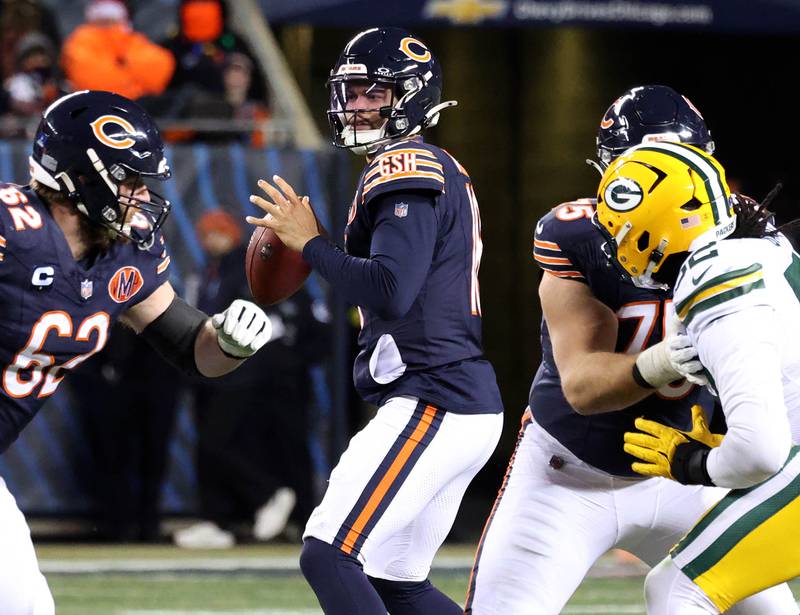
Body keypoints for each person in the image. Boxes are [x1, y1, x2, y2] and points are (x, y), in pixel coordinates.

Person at [463, 85, 798, 614]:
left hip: (688, 470)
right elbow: (581, 387)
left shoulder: (742, 234)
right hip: (570, 474)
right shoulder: (578, 235)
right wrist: (662, 360)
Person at [248, 26, 503, 615]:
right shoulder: (420, 164)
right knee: (395, 580)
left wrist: (311, 245)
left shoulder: (405, 164)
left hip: (437, 396)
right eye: (352, 91)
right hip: (455, 398)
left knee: (327, 552)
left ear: (409, 96)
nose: (358, 104)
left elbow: (390, 290)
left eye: (374, 92)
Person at [0, 89, 271, 613]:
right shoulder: (12, 227)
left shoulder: (126, 253)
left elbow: (193, 348)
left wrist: (231, 343)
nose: (140, 195)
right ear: (80, 174)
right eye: (127, 178)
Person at [594, 143, 800, 613]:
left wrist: (692, 464)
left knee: (676, 588)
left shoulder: (715, 275)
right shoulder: (760, 250)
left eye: (617, 227)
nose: (616, 241)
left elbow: (760, 451)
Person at [173, 209, 325, 548]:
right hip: (215, 370)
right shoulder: (207, 272)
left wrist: (279, 366)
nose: (211, 239)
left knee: (228, 443)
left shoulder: (249, 271)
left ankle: (270, 499)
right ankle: (223, 517)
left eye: (218, 232)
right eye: (207, 233)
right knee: (213, 445)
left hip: (248, 374)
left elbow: (281, 330)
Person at [61, 0, 175, 101]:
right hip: (95, 106)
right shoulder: (81, 39)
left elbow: (159, 65)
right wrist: (134, 86)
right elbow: (93, 81)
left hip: (138, 107)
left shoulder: (131, 39)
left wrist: (123, 72)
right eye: (103, 21)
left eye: (112, 21)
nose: (108, 25)